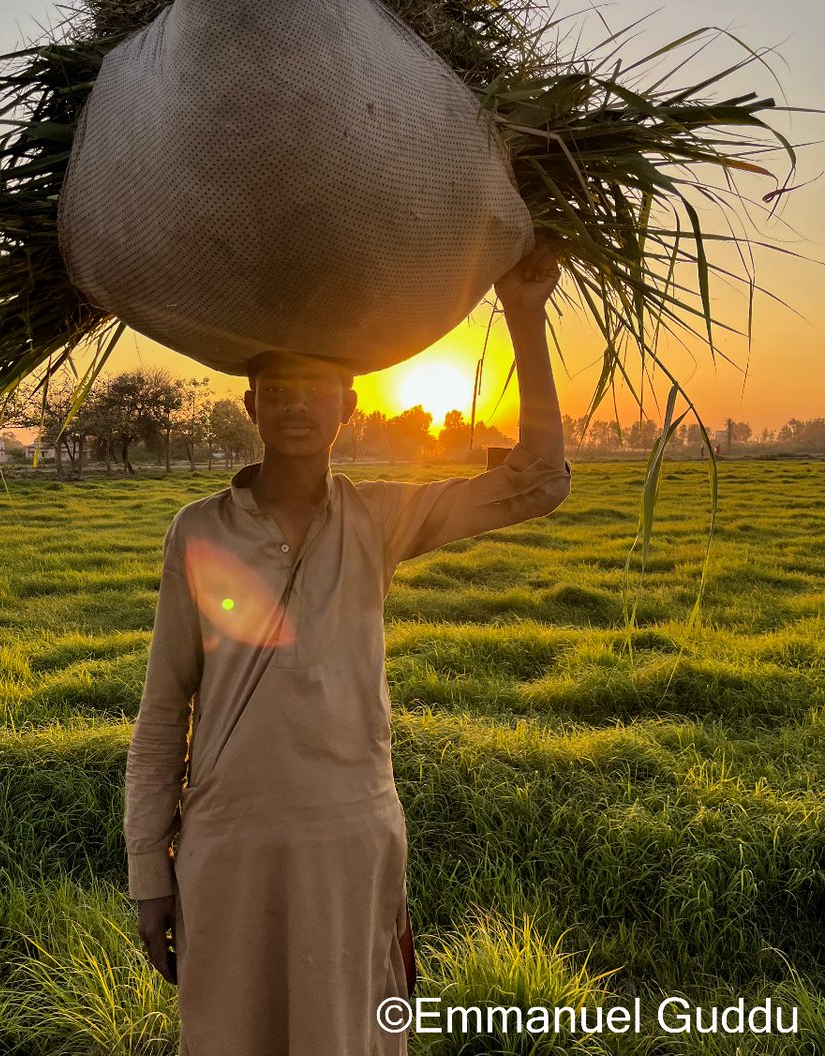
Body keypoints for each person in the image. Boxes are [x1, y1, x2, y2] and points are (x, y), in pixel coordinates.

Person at [125, 242, 571, 1055]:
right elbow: (163, 713)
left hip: (349, 842)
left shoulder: (378, 520)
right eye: (277, 390)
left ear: (348, 403)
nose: (296, 405)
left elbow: (539, 481)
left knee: (348, 1033)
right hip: (229, 844)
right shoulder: (198, 531)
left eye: (314, 388)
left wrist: (524, 313)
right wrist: (149, 876)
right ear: (251, 406)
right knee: (231, 1034)